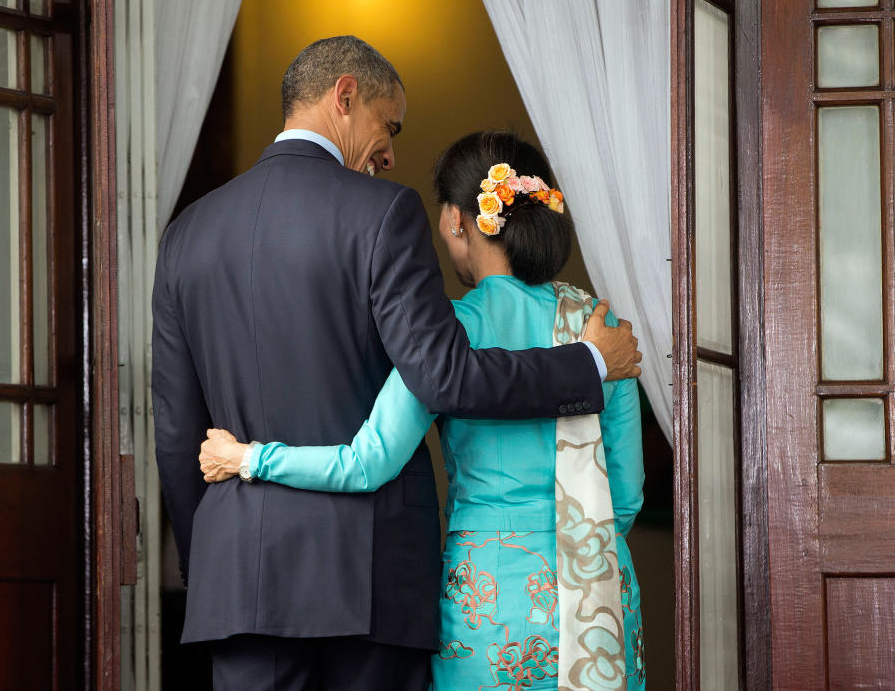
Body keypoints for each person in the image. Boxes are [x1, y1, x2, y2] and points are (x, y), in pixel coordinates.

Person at [152, 36, 641, 691]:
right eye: (390, 125)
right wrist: (587, 363)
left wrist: (213, 553)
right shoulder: (382, 213)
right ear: (345, 96)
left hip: (242, 582)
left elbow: (176, 430)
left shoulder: (185, 234)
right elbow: (446, 374)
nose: (390, 152)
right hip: (371, 580)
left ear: (459, 222)